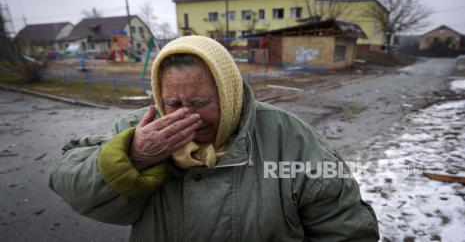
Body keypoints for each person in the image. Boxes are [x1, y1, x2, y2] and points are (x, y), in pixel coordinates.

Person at [50, 36, 379, 241]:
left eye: (201, 102)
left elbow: (346, 229)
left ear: (230, 94)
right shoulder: (142, 129)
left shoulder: (289, 140)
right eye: (173, 103)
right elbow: (66, 175)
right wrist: (133, 158)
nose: (186, 116)